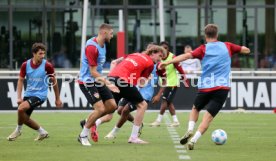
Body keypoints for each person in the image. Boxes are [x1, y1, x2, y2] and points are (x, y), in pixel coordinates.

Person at [159, 24, 250, 150]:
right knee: (208, 117)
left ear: (205, 36)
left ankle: (190, 129)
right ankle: (194, 139)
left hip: (206, 87)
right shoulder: (227, 46)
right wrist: (242, 50)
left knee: (195, 108)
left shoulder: (203, 49)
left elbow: (185, 56)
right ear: (217, 35)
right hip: (222, 88)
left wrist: (168, 62)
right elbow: (245, 50)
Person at [108, 45, 165, 144]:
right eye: (159, 56)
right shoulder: (150, 63)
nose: (160, 59)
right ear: (152, 53)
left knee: (121, 109)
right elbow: (141, 83)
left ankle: (106, 129)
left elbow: (165, 80)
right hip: (129, 85)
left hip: (142, 92)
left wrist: (158, 94)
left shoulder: (137, 56)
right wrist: (146, 79)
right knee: (119, 109)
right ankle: (133, 135)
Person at [7, 42, 63, 141]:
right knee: (24, 118)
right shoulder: (25, 65)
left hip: (40, 95)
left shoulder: (47, 65)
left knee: (20, 109)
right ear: (34, 53)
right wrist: (19, 97)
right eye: (40, 54)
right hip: (29, 94)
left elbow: (54, 81)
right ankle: (42, 132)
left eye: (43, 53)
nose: (42, 56)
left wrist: (57, 98)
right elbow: (20, 80)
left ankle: (18, 130)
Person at [77, 23, 119, 146]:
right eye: (111, 33)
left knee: (112, 106)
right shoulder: (92, 47)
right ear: (104, 33)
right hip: (87, 82)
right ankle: (83, 135)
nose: (112, 36)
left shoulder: (103, 44)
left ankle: (88, 121)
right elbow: (93, 71)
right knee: (100, 108)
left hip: (97, 81)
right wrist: (109, 84)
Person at [104, 64, 159, 139]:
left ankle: (113, 132)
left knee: (125, 110)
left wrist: (159, 94)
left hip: (144, 94)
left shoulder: (157, 67)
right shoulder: (138, 65)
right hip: (131, 89)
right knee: (120, 110)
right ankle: (137, 123)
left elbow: (143, 84)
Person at [150, 41, 188, 127]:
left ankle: (158, 121)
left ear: (168, 49)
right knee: (169, 102)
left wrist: (185, 81)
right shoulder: (158, 59)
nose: (164, 50)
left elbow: (180, 69)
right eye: (162, 48)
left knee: (165, 100)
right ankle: (175, 121)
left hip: (172, 83)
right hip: (164, 84)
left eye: (165, 48)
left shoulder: (173, 57)